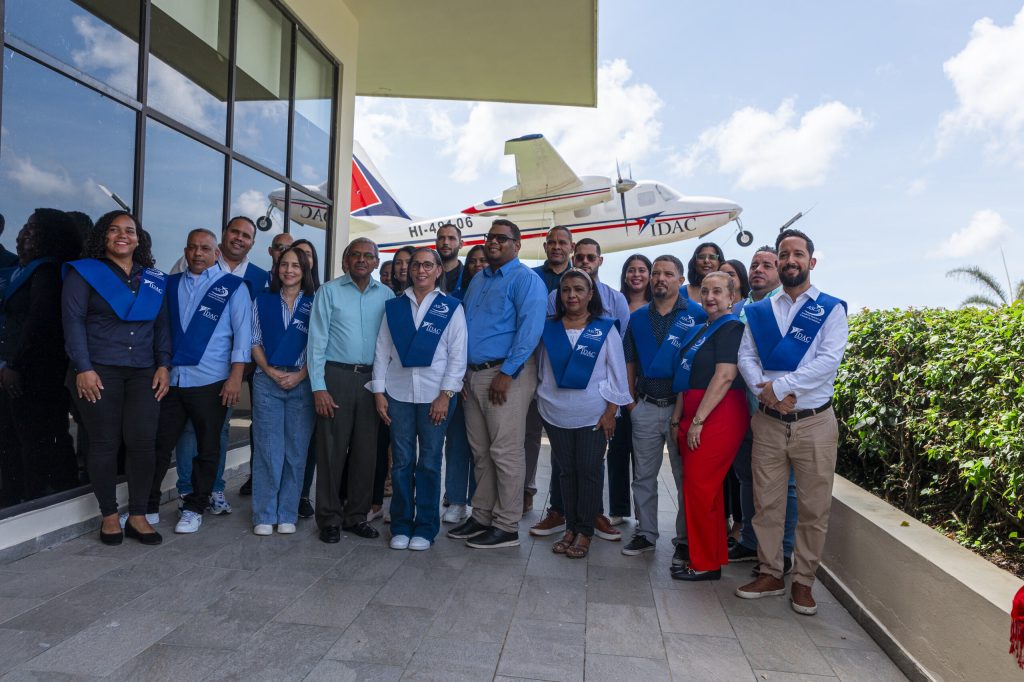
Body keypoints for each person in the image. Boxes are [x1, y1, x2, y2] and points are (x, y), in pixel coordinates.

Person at [735, 229, 848, 616]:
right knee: (766, 504)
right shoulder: (760, 310)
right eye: (783, 254)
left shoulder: (831, 309)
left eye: (797, 254)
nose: (789, 260)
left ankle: (803, 582)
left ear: (811, 262)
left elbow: (827, 362)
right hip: (767, 421)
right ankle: (770, 572)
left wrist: (779, 386)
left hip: (814, 423)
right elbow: (746, 356)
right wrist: (763, 390)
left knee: (814, 508)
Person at [62, 210, 170, 545]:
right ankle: (109, 515)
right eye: (113, 230)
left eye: (130, 230)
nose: (122, 235)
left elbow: (162, 326)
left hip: (143, 372)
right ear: (102, 237)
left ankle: (137, 515)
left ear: (139, 239)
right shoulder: (84, 274)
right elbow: (73, 322)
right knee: (104, 443)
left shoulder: (152, 278)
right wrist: (83, 368)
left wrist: (164, 364)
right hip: (99, 370)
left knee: (143, 444)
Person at [446, 219, 546, 549]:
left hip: (505, 376)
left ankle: (506, 526)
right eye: (490, 237)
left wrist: (509, 372)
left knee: (505, 451)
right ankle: (483, 516)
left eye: (502, 238)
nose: (493, 242)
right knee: (481, 452)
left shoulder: (525, 280)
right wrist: (461, 372)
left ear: (517, 245)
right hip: (473, 375)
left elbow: (530, 330)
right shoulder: (478, 280)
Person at [147, 228, 251, 535]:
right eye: (192, 248)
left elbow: (242, 336)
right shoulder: (170, 284)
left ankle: (195, 507)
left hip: (212, 381)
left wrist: (235, 378)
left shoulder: (232, 287)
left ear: (216, 253)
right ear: (185, 250)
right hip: (173, 380)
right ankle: (148, 506)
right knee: (158, 445)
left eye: (205, 248)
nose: (197, 253)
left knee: (208, 448)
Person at [532, 238, 629, 541]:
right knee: (565, 472)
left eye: (578, 290)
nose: (572, 295)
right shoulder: (548, 329)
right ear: (559, 295)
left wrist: (612, 411)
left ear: (590, 295)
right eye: (566, 290)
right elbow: (540, 372)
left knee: (588, 471)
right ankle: (570, 527)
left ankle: (585, 530)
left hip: (594, 416)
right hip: (556, 414)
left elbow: (617, 374)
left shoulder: (605, 328)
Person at [372, 248, 467, 550]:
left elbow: (457, 356)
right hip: (397, 393)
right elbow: (381, 351)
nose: (421, 270)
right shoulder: (394, 307)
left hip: (435, 395)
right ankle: (401, 523)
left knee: (428, 461)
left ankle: (425, 527)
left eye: (428, 265)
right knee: (401, 462)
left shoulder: (451, 308)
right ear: (409, 270)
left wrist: (445, 395)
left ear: (439, 270)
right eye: (416, 265)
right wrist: (378, 392)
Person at [621, 255, 707, 561]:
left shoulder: (697, 315)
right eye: (656, 273)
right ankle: (645, 533)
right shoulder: (638, 318)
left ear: (680, 280)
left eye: (668, 274)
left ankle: (684, 538)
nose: (660, 278)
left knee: (685, 476)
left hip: (682, 410)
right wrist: (630, 403)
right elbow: (629, 360)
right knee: (643, 476)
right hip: (644, 406)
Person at [308, 238, 393, 543]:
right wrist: (319, 387)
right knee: (331, 450)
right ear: (346, 260)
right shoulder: (329, 291)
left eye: (368, 256)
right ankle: (329, 518)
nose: (361, 260)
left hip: (372, 380)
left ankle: (356, 516)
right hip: (336, 377)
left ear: (376, 262)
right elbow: (316, 342)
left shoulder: (387, 295)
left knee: (366, 452)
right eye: (355, 255)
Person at [179, 217, 269, 504]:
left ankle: (214, 487)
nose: (239, 239)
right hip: (192, 367)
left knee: (221, 429)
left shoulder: (260, 277)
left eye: (246, 235)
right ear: (224, 235)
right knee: (189, 429)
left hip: (237, 368)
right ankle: (186, 489)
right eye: (235, 232)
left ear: (253, 243)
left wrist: (238, 373)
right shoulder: (196, 264)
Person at [667, 271, 748, 580]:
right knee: (707, 491)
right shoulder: (703, 329)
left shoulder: (731, 329)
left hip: (718, 414)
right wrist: (678, 416)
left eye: (718, 291)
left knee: (699, 488)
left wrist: (698, 420)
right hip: (694, 411)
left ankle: (703, 563)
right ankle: (712, 556)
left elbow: (725, 376)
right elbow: (686, 374)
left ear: (731, 298)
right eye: (705, 291)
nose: (710, 297)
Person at [0, 209, 81, 505]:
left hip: (35, 374)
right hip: (16, 370)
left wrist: (15, 366)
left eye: (31, 230)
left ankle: (39, 502)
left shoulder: (47, 273)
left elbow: (38, 323)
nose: (22, 235)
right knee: (13, 440)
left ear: (49, 237)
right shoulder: (23, 270)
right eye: (24, 227)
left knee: (39, 442)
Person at [728, 246, 799, 574]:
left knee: (784, 487)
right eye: (754, 264)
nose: (758, 269)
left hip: (779, 413)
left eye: (767, 265)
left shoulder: (788, 309)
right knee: (746, 478)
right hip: (742, 411)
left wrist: (773, 396)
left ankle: (782, 553)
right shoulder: (738, 308)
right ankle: (750, 543)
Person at [250, 245, 316, 535]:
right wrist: (270, 371)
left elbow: (320, 345)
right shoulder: (262, 299)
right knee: (267, 449)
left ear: (305, 271)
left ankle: (287, 512)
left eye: (296, 266)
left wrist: (301, 375)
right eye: (284, 264)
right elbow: (254, 341)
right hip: (268, 381)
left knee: (296, 452)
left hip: (302, 382)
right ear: (277, 268)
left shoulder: (315, 302)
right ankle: (265, 513)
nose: (289, 270)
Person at [523, 226, 575, 514]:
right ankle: (526, 490)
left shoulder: (579, 279)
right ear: (544, 247)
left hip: (567, 367)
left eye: (562, 243)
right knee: (529, 434)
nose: (556, 247)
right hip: (532, 363)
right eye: (551, 243)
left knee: (564, 439)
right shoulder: (530, 277)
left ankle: (562, 501)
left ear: (571, 246)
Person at [603, 254, 653, 526]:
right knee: (618, 449)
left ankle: (644, 515)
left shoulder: (658, 306)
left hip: (647, 386)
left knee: (644, 455)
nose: (636, 275)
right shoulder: (614, 305)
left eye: (642, 270)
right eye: (631, 270)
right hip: (616, 384)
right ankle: (619, 509)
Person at [441, 244, 487, 524]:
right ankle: (456, 500)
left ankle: (479, 502)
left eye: (484, 261)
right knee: (457, 443)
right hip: (456, 378)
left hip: (483, 376)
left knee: (482, 446)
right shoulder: (453, 299)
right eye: (473, 261)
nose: (479, 265)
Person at [291, 239, 322, 519]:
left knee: (307, 442)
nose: (301, 260)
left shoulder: (322, 296)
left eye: (307, 255)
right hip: (279, 378)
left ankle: (302, 494)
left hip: (310, 379)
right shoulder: (274, 294)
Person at [436, 223, 465, 295]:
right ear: (436, 243)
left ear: (461, 244)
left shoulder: (469, 276)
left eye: (451, 238)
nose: (445, 242)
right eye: (441, 238)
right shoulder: (426, 275)